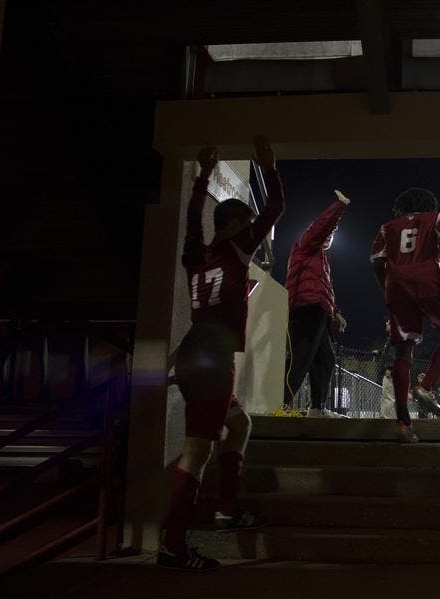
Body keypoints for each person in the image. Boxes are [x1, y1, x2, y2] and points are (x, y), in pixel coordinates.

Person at [160, 138, 284, 571]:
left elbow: (194, 220)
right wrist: (269, 168)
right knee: (196, 452)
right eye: (248, 226)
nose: (256, 235)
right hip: (213, 357)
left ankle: (227, 510)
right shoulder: (233, 247)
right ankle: (172, 548)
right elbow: (276, 209)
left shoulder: (198, 254)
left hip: (195, 349)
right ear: (234, 226)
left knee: (240, 422)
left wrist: (201, 178)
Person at [371, 187, 440, 442]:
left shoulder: (387, 227)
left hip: (397, 284)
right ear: (429, 204)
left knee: (403, 351)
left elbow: (376, 260)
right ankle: (425, 387)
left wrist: (385, 288)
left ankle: (402, 423)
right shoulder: (438, 218)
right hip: (428, 278)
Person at [285, 190, 350, 417]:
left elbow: (325, 290)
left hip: (320, 310)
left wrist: (336, 313)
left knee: (326, 360)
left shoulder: (322, 260)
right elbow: (321, 227)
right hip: (306, 307)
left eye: (333, 235)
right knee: (301, 357)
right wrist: (339, 206)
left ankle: (316, 408)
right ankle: (281, 402)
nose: (330, 237)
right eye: (328, 233)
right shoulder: (305, 246)